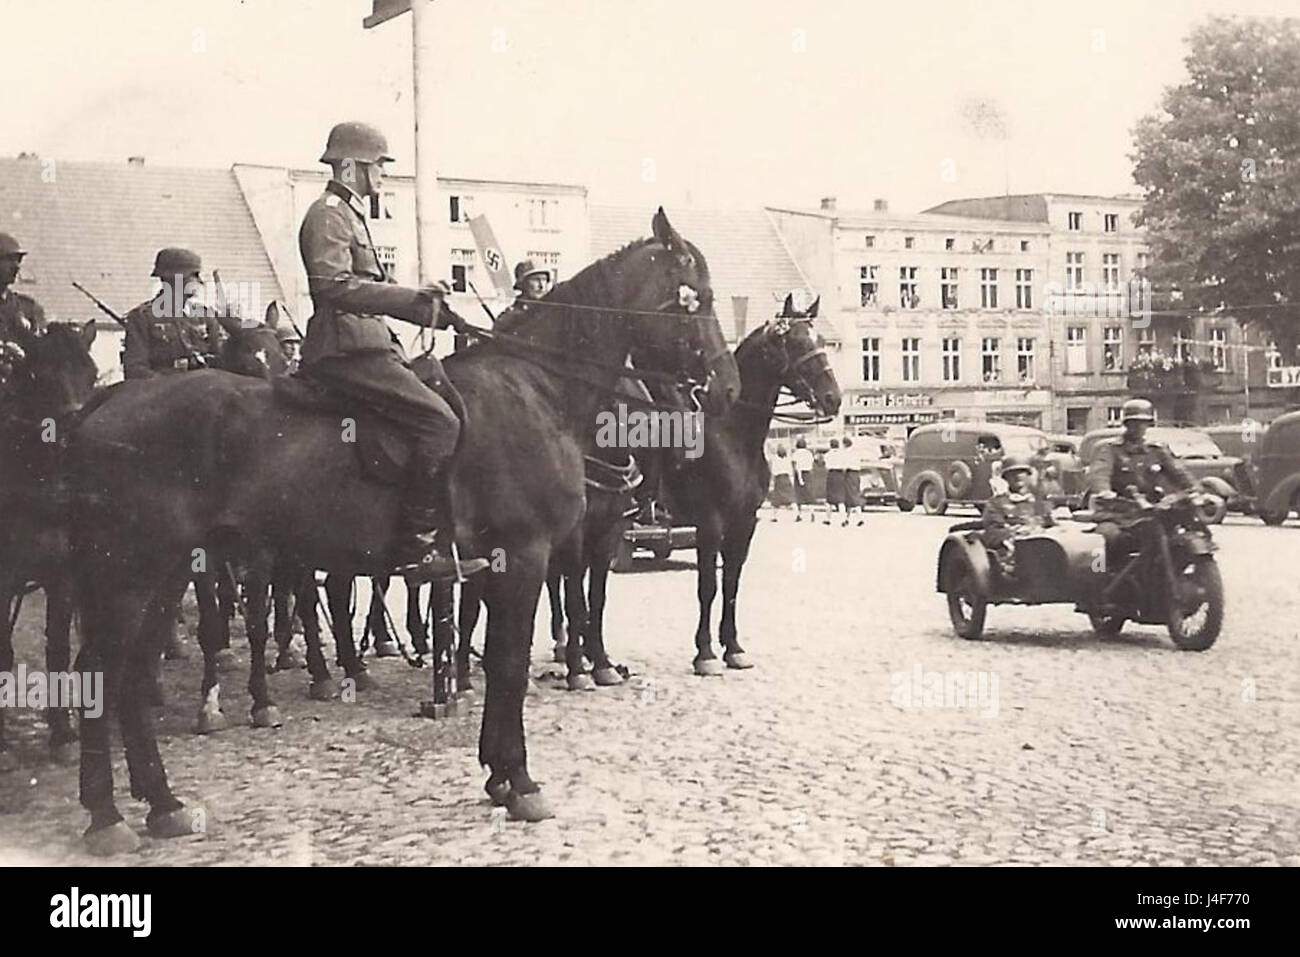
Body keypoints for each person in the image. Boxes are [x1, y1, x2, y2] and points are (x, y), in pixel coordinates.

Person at [298, 120, 487, 580]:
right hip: (345, 348)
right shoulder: (328, 214)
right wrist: (409, 299)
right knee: (438, 422)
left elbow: (372, 289)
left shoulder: (349, 215)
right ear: (349, 167)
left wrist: (434, 308)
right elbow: (334, 285)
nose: (381, 176)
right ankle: (415, 548)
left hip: (365, 343)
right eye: (376, 167)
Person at [1087, 397, 1196, 565]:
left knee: (1178, 534)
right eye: (1134, 423)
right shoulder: (1110, 449)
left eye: (1143, 423)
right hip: (1119, 512)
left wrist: (1194, 488)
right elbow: (1099, 473)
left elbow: (1178, 471)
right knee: (1107, 538)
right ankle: (1101, 581)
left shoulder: (1157, 450)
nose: (1139, 427)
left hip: (1153, 511)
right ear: (1126, 424)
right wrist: (1104, 491)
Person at [122, 248, 226, 379]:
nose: (200, 281)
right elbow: (135, 370)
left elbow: (222, 359)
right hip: (165, 394)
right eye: (193, 276)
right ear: (175, 279)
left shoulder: (205, 316)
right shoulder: (142, 318)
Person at [980, 452, 1055, 577]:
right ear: (1006, 478)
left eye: (1022, 472)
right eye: (1012, 473)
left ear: (1028, 475)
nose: (1018, 476)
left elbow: (1053, 525)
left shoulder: (1039, 502)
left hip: (1043, 549)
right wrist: (1016, 534)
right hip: (1014, 557)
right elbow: (993, 533)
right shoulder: (996, 503)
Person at [823, 438, 847, 525]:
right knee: (840, 498)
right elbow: (845, 466)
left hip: (831, 475)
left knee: (829, 499)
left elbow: (826, 467)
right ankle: (843, 519)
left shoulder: (827, 455)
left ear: (830, 445)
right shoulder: (842, 454)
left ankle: (828, 519)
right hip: (840, 475)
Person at [841, 435, 865, 526]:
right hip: (856, 474)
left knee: (851, 496)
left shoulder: (846, 453)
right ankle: (847, 519)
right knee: (851, 496)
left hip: (849, 474)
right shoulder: (856, 452)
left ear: (844, 444)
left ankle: (860, 518)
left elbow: (845, 465)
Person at [791, 436, 815, 522]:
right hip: (808, 473)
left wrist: (800, 478)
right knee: (809, 494)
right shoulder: (809, 453)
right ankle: (812, 512)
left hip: (799, 474)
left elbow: (797, 466)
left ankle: (799, 514)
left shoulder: (796, 453)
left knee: (799, 496)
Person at [769, 445, 794, 520]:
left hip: (779, 479)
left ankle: (774, 516)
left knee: (776, 500)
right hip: (786, 478)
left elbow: (773, 472)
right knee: (789, 498)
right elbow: (790, 471)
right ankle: (796, 515)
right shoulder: (787, 460)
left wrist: (772, 482)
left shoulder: (775, 460)